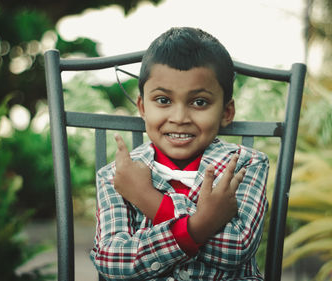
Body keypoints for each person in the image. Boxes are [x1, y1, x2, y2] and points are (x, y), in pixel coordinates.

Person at [90, 27, 269, 280]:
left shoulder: (244, 165)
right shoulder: (117, 176)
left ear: (226, 112)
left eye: (199, 102)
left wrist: (148, 198)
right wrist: (201, 224)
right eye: (163, 100)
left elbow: (237, 247)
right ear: (142, 107)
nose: (179, 118)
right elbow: (112, 261)